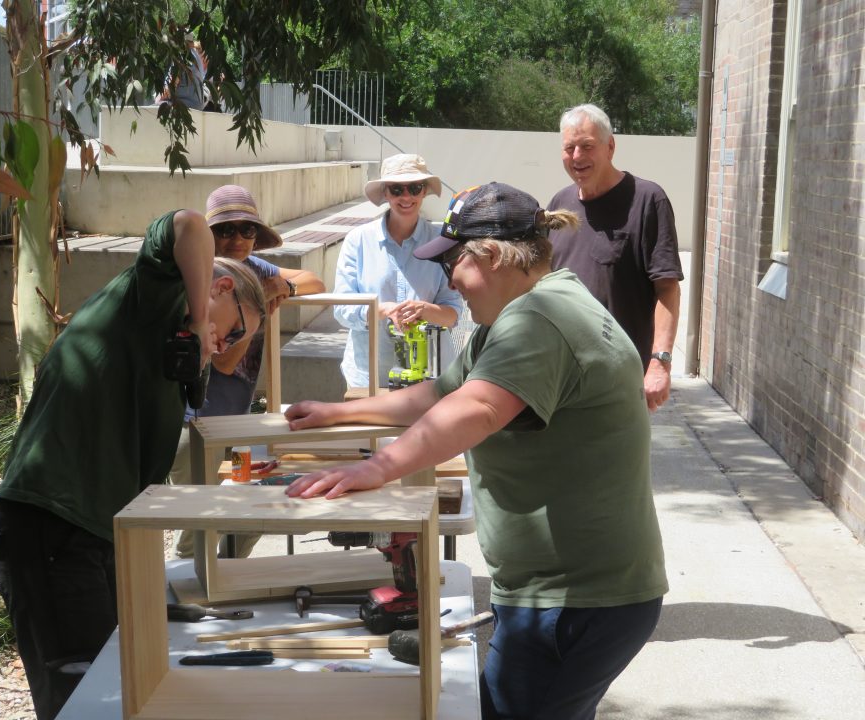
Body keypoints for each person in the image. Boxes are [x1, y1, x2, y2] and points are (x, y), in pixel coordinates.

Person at [285, 182, 668, 720]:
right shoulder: (529, 310)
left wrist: (378, 468)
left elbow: (478, 410)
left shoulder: (538, 319)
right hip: (567, 594)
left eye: (451, 267)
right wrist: (337, 412)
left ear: (488, 255)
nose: (449, 283)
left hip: (574, 599)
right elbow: (445, 392)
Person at [0, 209, 266, 720]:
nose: (227, 350)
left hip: (92, 535)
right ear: (217, 287)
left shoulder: (169, 347)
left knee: (118, 689)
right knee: (87, 701)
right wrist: (202, 319)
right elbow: (189, 225)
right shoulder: (155, 299)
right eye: (234, 331)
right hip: (50, 527)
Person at [170, 184, 325, 558]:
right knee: (200, 522)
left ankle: (228, 577)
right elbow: (223, 360)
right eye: (225, 230)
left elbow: (316, 281)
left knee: (252, 504)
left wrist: (281, 285)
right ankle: (189, 595)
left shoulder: (254, 269)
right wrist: (255, 311)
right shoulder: (202, 276)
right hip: (195, 429)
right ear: (209, 236)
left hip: (235, 425)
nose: (237, 238)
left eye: (247, 229)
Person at [547, 103, 683, 412]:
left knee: (612, 461)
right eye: (569, 148)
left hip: (619, 381)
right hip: (561, 376)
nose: (577, 157)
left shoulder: (647, 200)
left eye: (587, 146)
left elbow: (668, 289)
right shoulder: (559, 204)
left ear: (610, 147)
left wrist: (660, 362)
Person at [334, 153, 463, 391]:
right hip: (370, 375)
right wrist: (381, 310)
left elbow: (453, 313)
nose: (406, 196)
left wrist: (424, 309)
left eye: (414, 188)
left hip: (430, 379)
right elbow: (342, 310)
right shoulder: (358, 240)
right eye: (396, 189)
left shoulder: (442, 243)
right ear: (385, 193)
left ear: (424, 191)